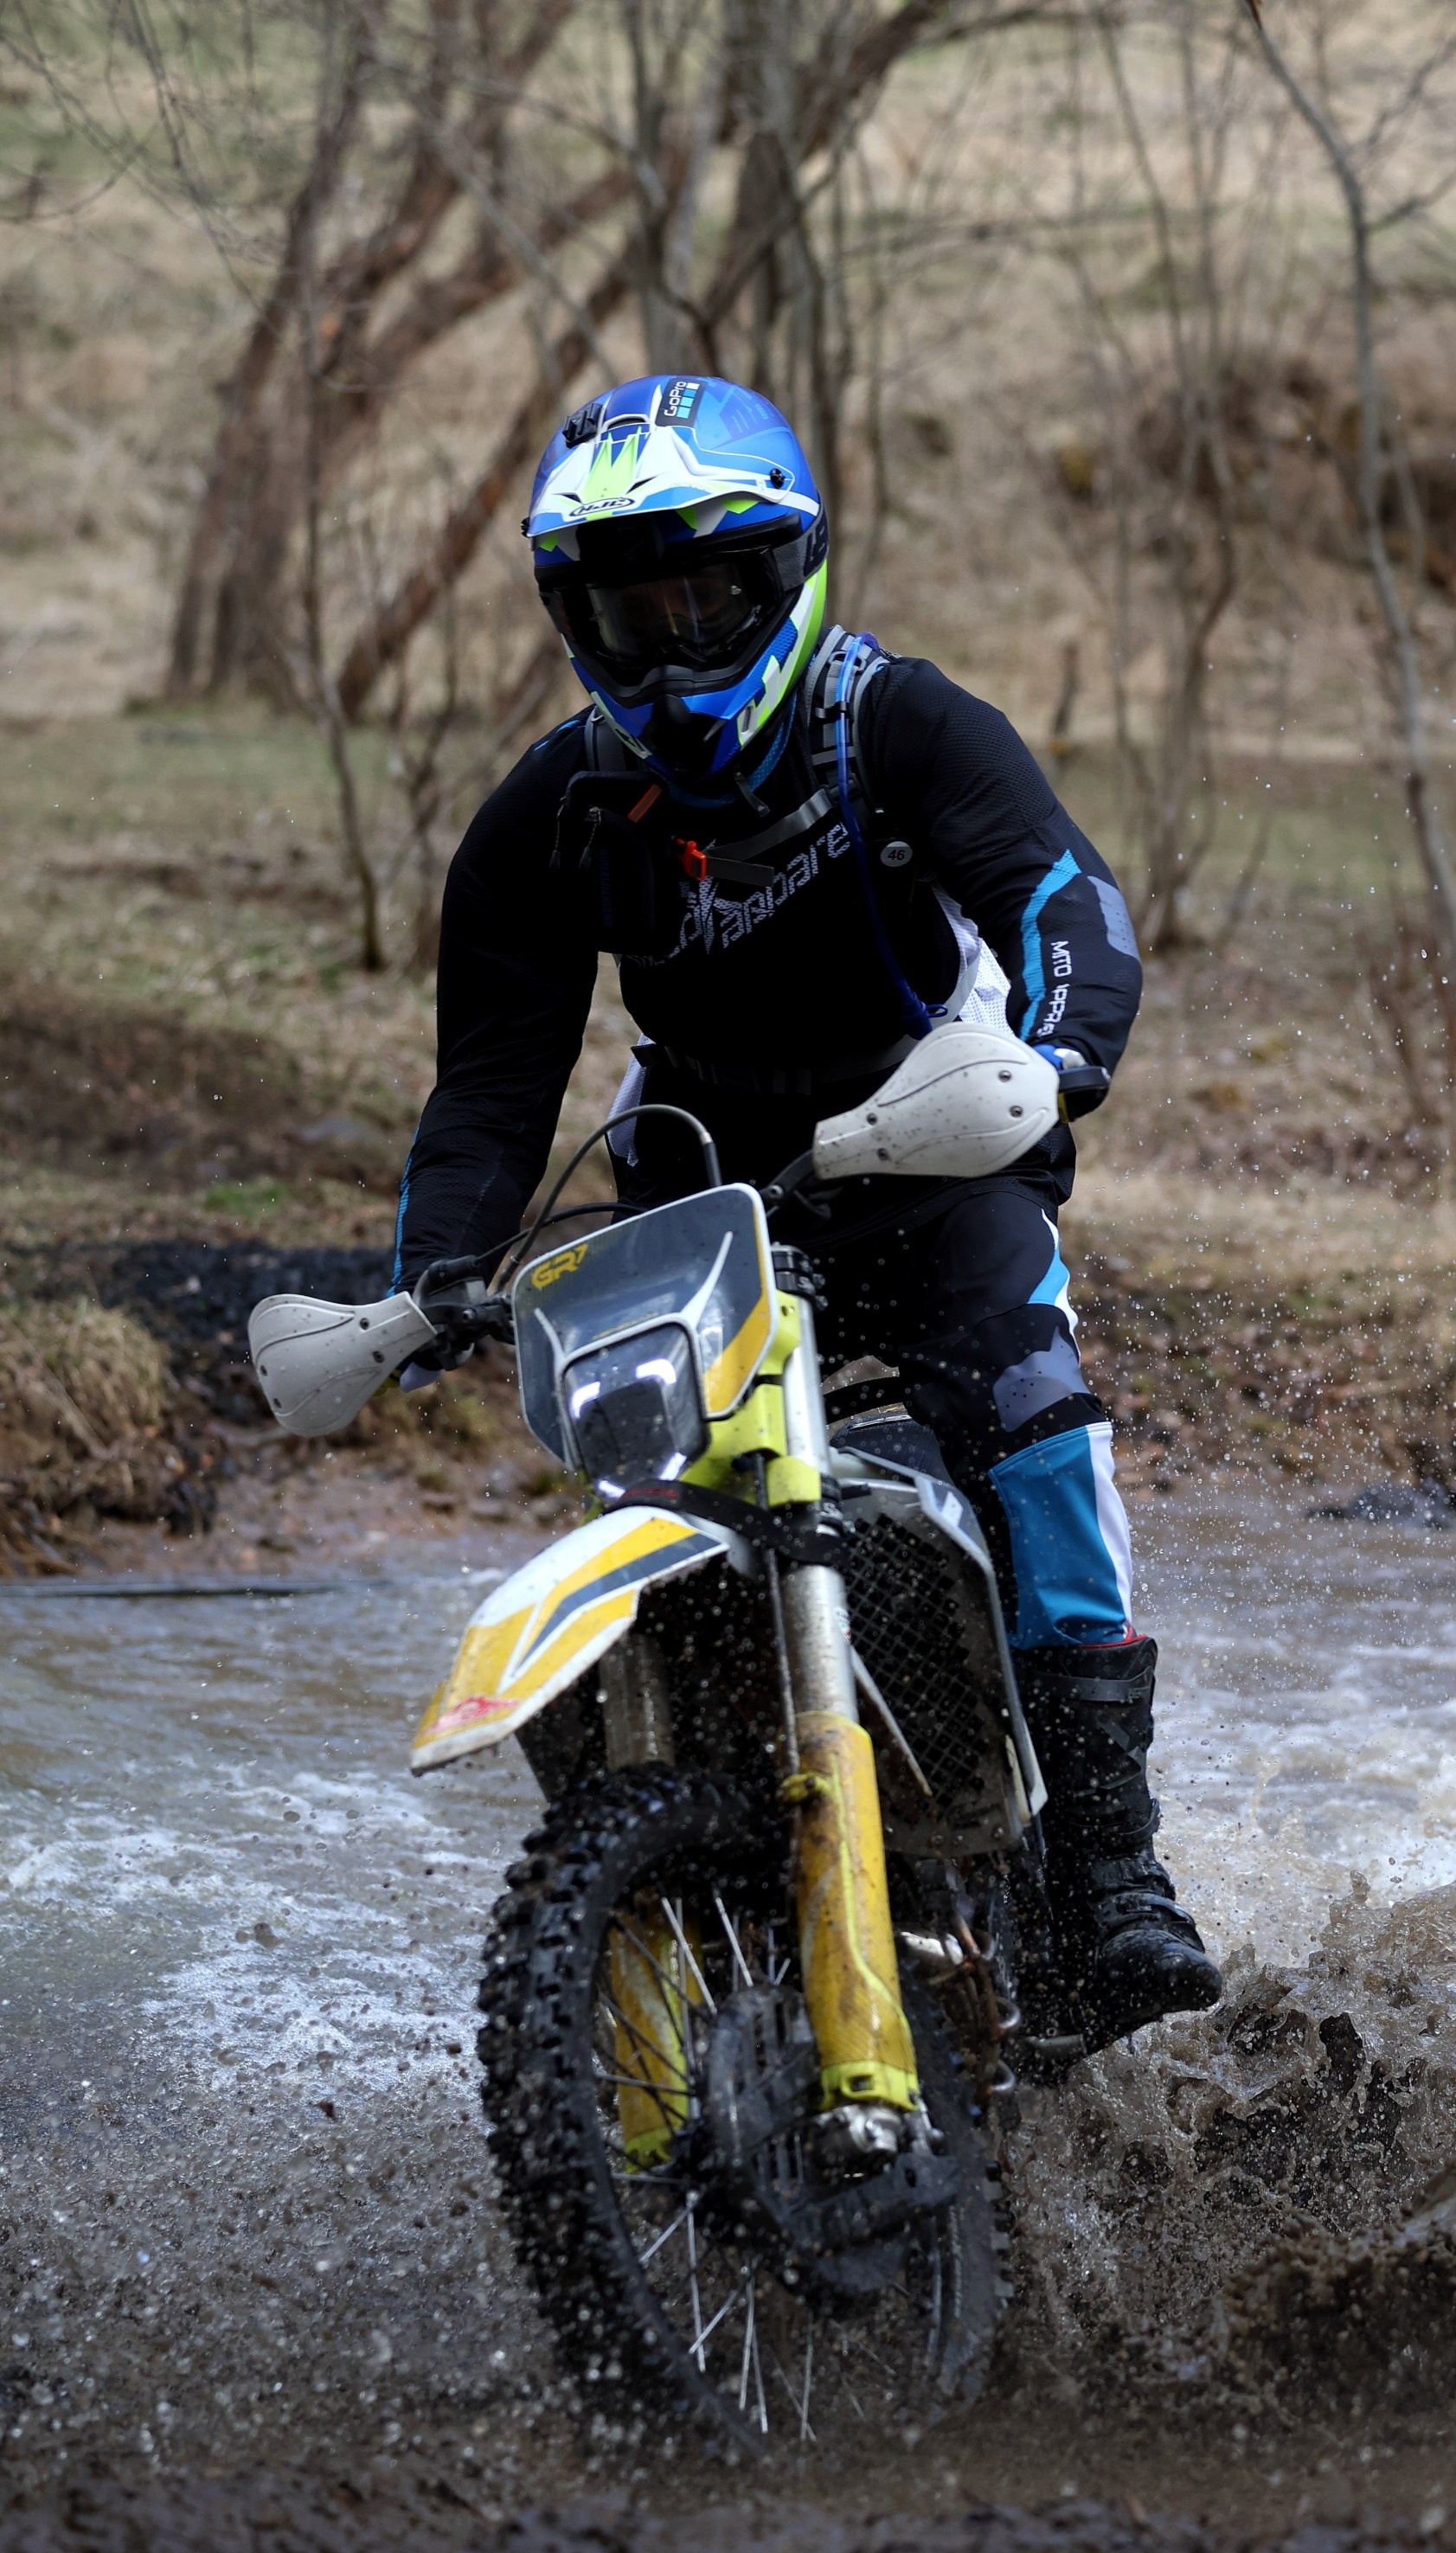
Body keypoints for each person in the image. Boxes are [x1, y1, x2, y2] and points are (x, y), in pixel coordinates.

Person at [391, 373, 1220, 2050]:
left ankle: (1110, 1864)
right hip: (703, 1194)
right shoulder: (552, 814)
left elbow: (1066, 899)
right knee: (648, 1487)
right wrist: (433, 1275)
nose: (669, 648)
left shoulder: (901, 726)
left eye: (703, 599)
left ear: (783, 575)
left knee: (1038, 1416)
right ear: (574, 620)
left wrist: (1059, 1056)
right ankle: (674, 1886)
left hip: (939, 1147)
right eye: (629, 613)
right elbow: (490, 1085)